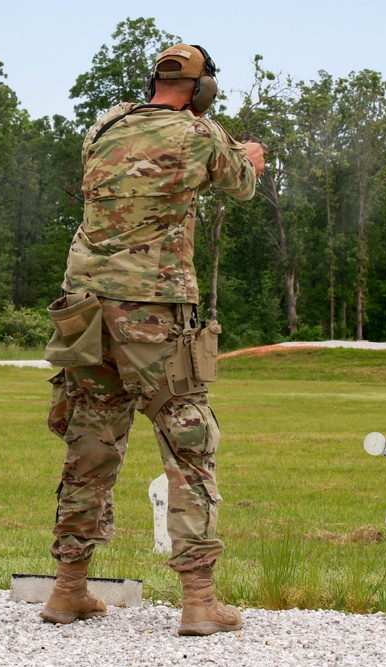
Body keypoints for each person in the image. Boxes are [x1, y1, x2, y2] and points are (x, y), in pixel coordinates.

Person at [41, 44, 265, 635]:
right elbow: (242, 184)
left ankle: (67, 589)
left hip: (83, 306)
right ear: (202, 89)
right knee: (188, 438)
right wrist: (248, 157)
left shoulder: (103, 126)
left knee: (90, 442)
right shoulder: (201, 134)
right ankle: (199, 601)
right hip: (150, 305)